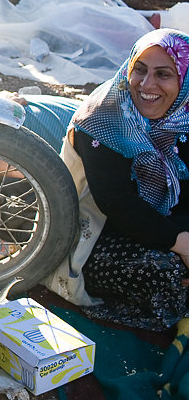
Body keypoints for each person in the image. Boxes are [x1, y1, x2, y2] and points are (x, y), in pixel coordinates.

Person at [48, 29, 189, 331]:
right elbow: (118, 204)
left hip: (161, 224)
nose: (146, 85)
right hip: (93, 233)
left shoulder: (182, 116)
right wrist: (183, 244)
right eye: (139, 69)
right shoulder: (104, 119)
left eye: (163, 74)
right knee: (162, 273)